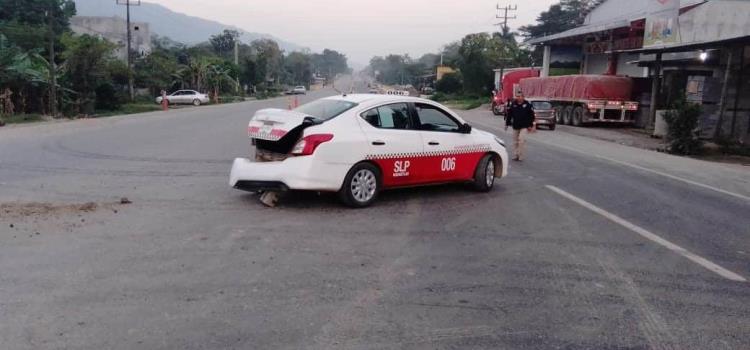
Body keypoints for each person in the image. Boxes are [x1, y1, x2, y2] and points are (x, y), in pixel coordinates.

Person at [505, 92, 536, 161]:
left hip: (524, 126)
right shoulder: (513, 104)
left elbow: (532, 116)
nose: (518, 98)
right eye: (517, 96)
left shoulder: (528, 105)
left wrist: (531, 125)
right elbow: (509, 115)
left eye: (520, 96)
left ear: (523, 97)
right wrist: (507, 124)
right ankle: (516, 155)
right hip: (515, 125)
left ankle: (520, 155)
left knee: (521, 140)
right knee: (515, 141)